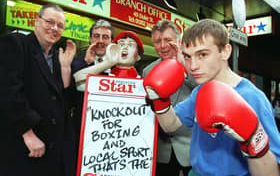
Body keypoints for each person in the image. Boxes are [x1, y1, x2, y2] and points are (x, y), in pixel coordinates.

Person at [143, 19, 280, 176]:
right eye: (187, 56)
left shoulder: (253, 98)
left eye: (202, 54)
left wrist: (254, 141)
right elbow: (171, 125)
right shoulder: (200, 91)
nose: (193, 66)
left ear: (226, 51)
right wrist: (159, 100)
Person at [0, 4, 77, 176]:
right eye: (49, 22)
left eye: (60, 25)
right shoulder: (15, 43)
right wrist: (27, 133)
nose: (54, 29)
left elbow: (64, 101)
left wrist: (65, 68)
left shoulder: (58, 56)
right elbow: (7, 91)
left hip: (51, 151)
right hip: (23, 147)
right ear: (36, 21)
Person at [143, 20, 195, 176]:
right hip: (161, 147)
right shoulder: (147, 71)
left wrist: (182, 65)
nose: (163, 45)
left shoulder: (194, 65)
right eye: (158, 41)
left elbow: (202, 88)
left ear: (178, 41)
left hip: (189, 145)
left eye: (168, 40)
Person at [70, 19, 115, 144]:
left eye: (105, 37)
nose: (100, 41)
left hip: (112, 132)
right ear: (90, 39)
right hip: (81, 132)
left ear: (111, 41)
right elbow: (69, 95)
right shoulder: (76, 64)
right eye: (96, 36)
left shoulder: (120, 67)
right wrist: (86, 63)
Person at [73, 30, 144, 83]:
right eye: (121, 45)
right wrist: (108, 63)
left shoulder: (142, 82)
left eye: (130, 45)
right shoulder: (104, 77)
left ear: (138, 56)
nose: (125, 47)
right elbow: (76, 79)